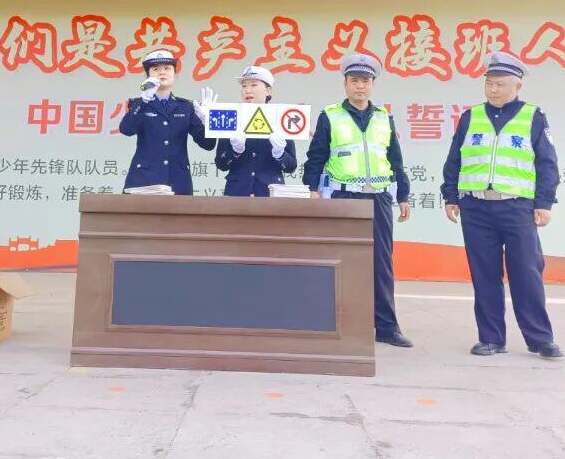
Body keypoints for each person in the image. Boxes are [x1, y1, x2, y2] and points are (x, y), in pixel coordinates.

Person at [441, 51, 564, 359]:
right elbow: (455, 159)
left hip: (517, 208)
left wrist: (544, 202)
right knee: (484, 275)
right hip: (476, 208)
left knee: (526, 273)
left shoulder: (533, 117)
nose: (493, 90)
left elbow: (547, 163)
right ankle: (491, 339)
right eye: (489, 83)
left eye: (500, 84)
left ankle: (540, 339)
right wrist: (451, 195)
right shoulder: (471, 117)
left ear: (517, 86)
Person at [302, 53, 412, 347]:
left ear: (372, 85)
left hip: (378, 199)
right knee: (339, 260)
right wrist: (312, 188)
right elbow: (316, 156)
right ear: (345, 84)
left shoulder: (384, 118)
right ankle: (336, 324)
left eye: (365, 81)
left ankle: (387, 328)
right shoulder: (330, 116)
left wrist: (403, 195)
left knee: (381, 264)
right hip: (342, 196)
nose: (360, 86)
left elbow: (396, 160)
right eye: (354, 81)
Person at [120, 49, 215, 194]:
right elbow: (126, 130)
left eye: (167, 68)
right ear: (148, 75)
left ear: (174, 74)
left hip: (178, 180)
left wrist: (208, 121)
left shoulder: (186, 107)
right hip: (144, 180)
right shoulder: (138, 104)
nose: (162, 72)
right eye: (155, 69)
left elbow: (208, 144)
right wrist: (144, 101)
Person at [215, 65, 297, 196]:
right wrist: (234, 151)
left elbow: (291, 166)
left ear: (268, 91)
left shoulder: (279, 118)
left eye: (254, 85)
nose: (247, 90)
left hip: (270, 193)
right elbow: (221, 164)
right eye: (244, 86)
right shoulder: (232, 117)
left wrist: (280, 153)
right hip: (237, 192)